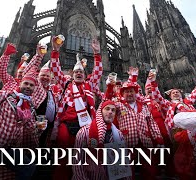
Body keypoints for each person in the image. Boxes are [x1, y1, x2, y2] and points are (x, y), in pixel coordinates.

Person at [50, 36, 103, 179]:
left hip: (84, 126)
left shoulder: (89, 85)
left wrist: (97, 54)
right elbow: (55, 69)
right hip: (66, 125)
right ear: (72, 75)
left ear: (85, 75)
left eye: (81, 72)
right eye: (76, 72)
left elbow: (98, 73)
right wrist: (55, 50)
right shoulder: (66, 84)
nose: (79, 73)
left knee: (81, 157)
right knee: (63, 155)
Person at [105, 77, 164, 179]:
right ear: (123, 94)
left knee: (150, 170)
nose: (129, 94)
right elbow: (107, 101)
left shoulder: (144, 106)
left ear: (136, 93)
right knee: (127, 172)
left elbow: (151, 123)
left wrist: (158, 139)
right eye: (126, 92)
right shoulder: (119, 105)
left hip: (145, 141)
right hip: (127, 142)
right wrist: (110, 87)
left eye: (131, 91)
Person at [73, 100, 131, 180]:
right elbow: (77, 162)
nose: (110, 112)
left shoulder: (118, 135)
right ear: (100, 111)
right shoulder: (84, 132)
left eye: (113, 110)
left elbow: (123, 164)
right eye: (107, 109)